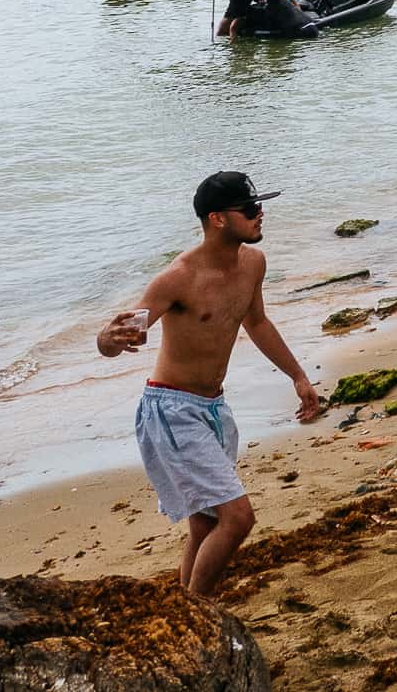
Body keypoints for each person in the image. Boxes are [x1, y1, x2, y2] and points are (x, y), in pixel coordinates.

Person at [97, 172, 325, 596]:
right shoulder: (178, 279)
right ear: (218, 219)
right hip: (170, 410)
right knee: (237, 518)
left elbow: (256, 322)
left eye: (260, 205)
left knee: (206, 522)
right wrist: (107, 340)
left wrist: (297, 376)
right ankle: (199, 614)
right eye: (250, 209)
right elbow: (125, 332)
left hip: (214, 409)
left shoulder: (253, 263)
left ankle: (184, 607)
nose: (261, 215)